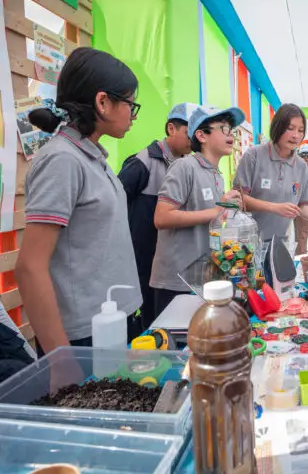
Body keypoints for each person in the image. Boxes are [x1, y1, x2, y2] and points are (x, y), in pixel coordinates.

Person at [15, 48, 143, 354]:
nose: (133, 115)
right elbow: (30, 267)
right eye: (130, 104)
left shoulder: (92, 157)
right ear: (103, 102)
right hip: (86, 337)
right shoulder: (62, 160)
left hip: (116, 321)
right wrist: (60, 358)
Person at [150, 105, 243, 315]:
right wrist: (216, 211)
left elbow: (214, 217)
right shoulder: (184, 167)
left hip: (203, 278)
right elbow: (162, 217)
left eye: (232, 131)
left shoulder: (217, 175)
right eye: (224, 129)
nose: (231, 136)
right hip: (176, 282)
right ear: (201, 135)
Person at [118, 103, 197, 328]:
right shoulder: (143, 163)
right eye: (188, 133)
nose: (194, 139)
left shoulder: (187, 165)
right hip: (142, 260)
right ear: (171, 129)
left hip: (170, 261)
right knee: (150, 322)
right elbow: (115, 203)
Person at [234, 103, 308, 244]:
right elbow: (238, 198)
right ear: (278, 127)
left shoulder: (301, 166)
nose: (296, 135)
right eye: (290, 128)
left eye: (300, 130)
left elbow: (301, 205)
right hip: (248, 242)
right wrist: (275, 207)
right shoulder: (254, 156)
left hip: (281, 242)